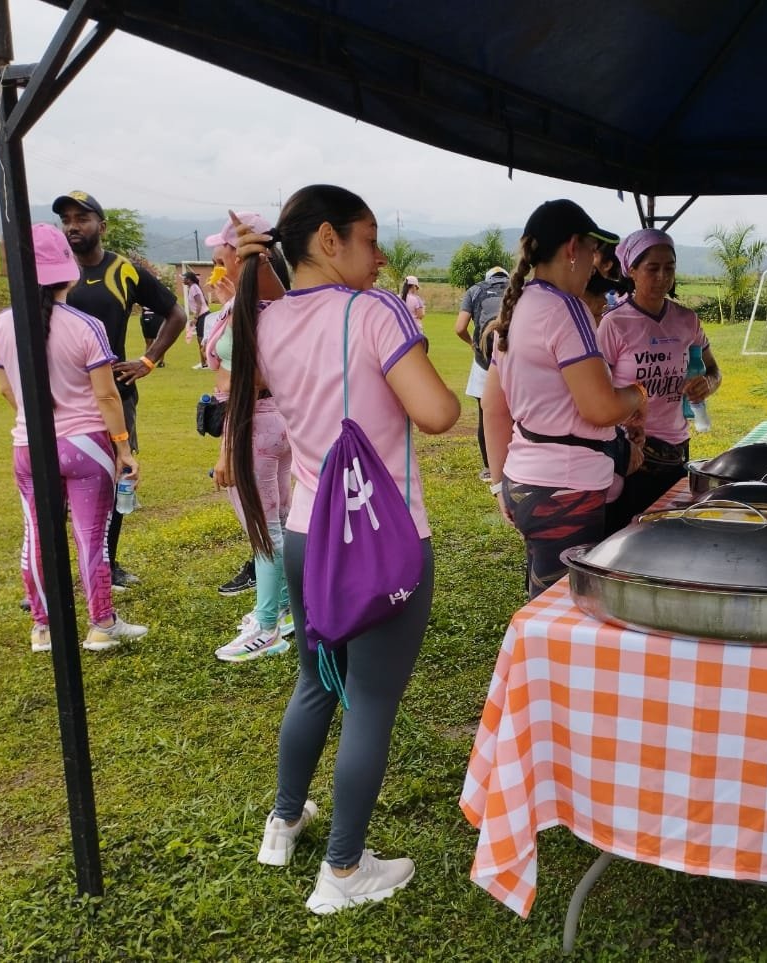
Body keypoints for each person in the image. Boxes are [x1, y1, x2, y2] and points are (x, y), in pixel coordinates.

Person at [226, 186, 459, 912]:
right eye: (368, 238)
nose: (380, 255)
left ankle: (284, 820)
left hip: (306, 532)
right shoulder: (375, 310)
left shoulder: (265, 321)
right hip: (383, 541)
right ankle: (345, 871)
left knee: (317, 682)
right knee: (371, 702)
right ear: (328, 240)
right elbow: (439, 412)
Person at [0, 224, 148, 653]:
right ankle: (101, 624)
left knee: (37, 534)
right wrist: (124, 446)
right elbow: (106, 394)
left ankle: (43, 627)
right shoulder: (85, 326)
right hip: (87, 445)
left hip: (28, 445)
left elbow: (6, 390)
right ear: (69, 271)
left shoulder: (3, 325)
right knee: (90, 536)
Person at [481, 199, 647, 598]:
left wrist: (502, 480)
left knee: (542, 603)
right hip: (564, 491)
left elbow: (494, 406)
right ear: (573, 248)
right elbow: (601, 408)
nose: (595, 263)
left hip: (526, 483)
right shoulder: (565, 309)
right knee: (561, 613)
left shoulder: (518, 306)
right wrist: (637, 394)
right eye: (593, 251)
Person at [54, 190, 188, 589]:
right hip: (64, 398)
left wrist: (147, 361)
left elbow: (176, 313)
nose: (73, 226)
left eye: (82, 218)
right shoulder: (54, 272)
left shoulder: (125, 270)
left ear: (102, 226)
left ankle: (107, 565)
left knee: (116, 479)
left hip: (114, 395)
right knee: (58, 488)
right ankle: (55, 574)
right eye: (67, 220)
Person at [203, 212, 295, 662]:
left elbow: (240, 383)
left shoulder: (250, 312)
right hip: (277, 420)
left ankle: (267, 626)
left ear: (242, 256)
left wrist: (226, 450)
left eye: (223, 251)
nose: (216, 257)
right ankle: (283, 608)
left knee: (263, 528)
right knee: (278, 519)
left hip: (252, 422)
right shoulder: (272, 306)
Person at [597, 228, 721, 534]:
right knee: (628, 536)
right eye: (652, 269)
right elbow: (598, 393)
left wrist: (708, 383)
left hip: (677, 448)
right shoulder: (614, 324)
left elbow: (713, 370)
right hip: (632, 452)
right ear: (633, 271)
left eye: (670, 268)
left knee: (673, 533)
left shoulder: (687, 320)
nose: (662, 277)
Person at [453, 265, 510, 480]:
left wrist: (473, 343)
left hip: (483, 360)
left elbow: (459, 327)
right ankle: (514, 465)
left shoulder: (475, 290)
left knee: (485, 414)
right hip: (513, 358)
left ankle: (489, 468)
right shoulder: (519, 289)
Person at [184, 270, 210, 368]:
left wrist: (195, 317)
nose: (183, 280)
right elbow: (205, 301)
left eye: (184, 278)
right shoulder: (193, 288)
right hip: (202, 316)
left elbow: (199, 303)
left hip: (202, 316)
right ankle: (204, 362)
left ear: (189, 280)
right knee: (201, 340)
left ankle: (207, 362)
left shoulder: (194, 288)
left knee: (202, 340)